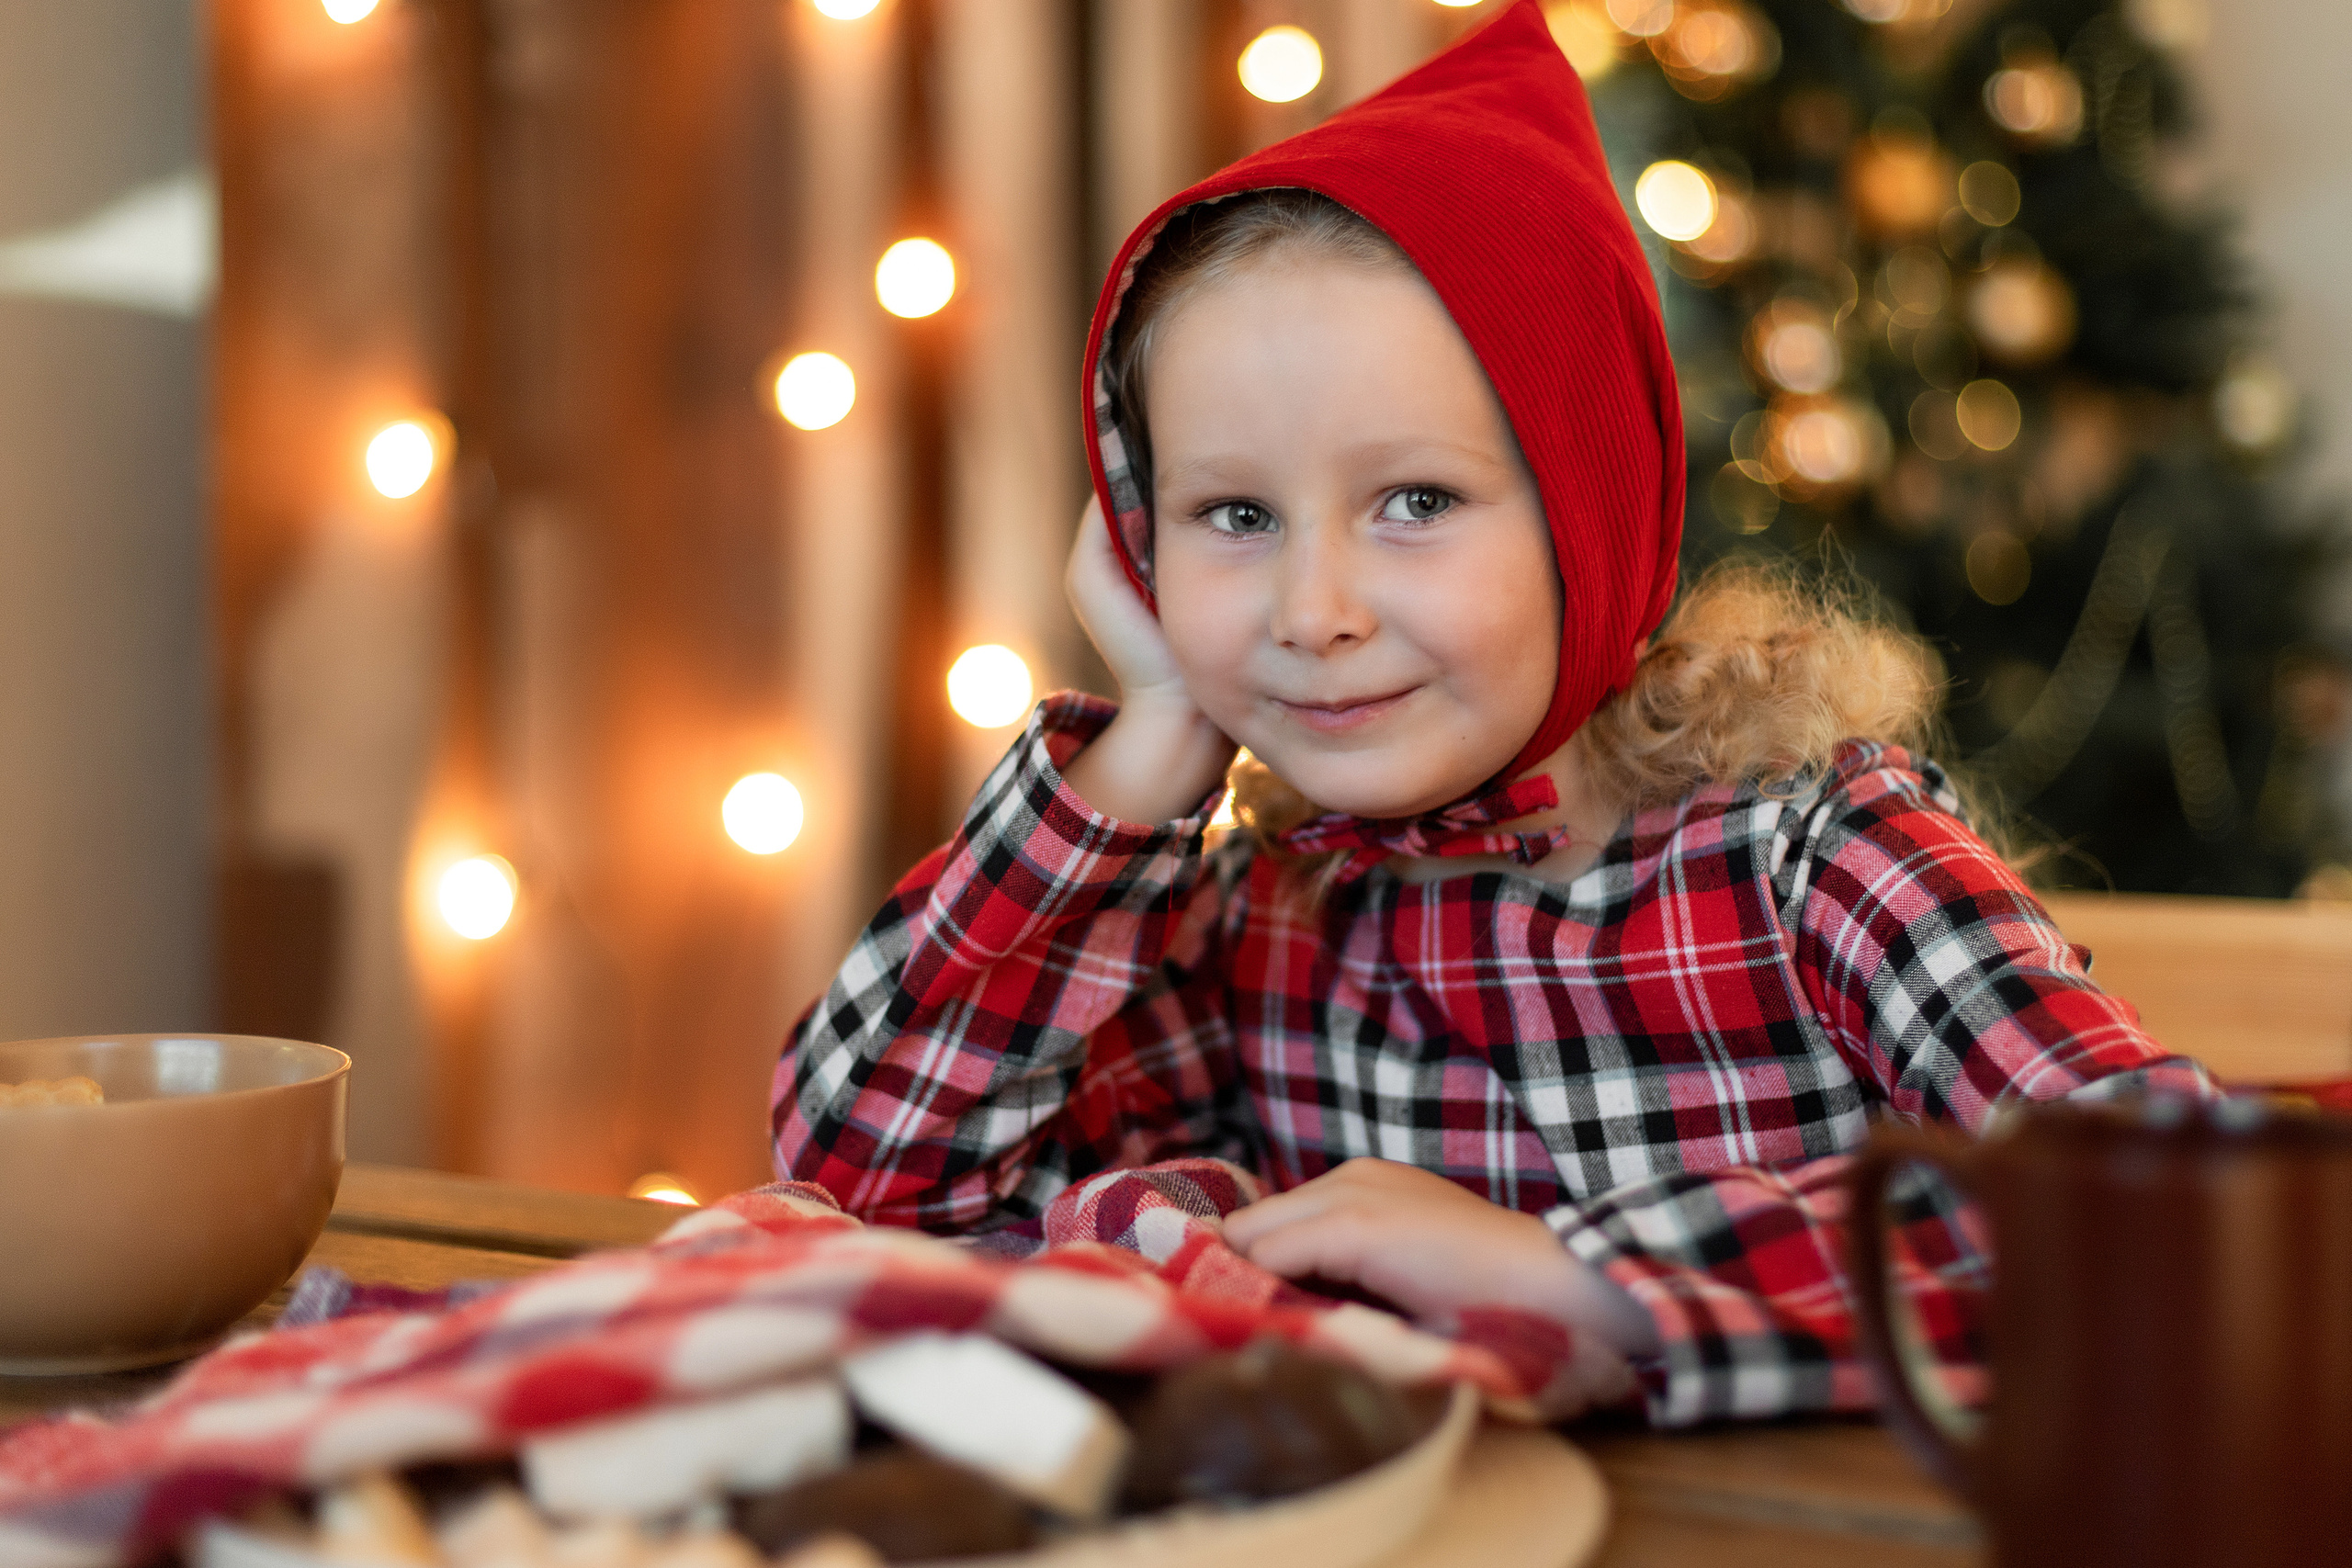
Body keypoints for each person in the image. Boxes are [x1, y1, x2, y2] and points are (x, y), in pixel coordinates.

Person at [769, 0, 2208, 1426]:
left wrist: (1583, 1276)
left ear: (1594, 514)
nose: (1310, 609)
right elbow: (868, 1175)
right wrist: (1149, 741)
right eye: (1234, 514)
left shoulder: (1811, 853)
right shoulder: (1260, 907)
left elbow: (2169, 1207)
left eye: (1415, 502)